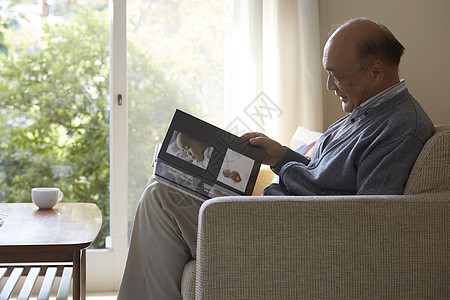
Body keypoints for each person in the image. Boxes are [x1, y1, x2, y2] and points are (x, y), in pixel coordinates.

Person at [118, 18, 434, 299]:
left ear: (376, 72)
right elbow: (323, 174)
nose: (329, 85)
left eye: (336, 75)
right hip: (277, 214)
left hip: (288, 232)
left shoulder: (400, 128)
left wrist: (285, 180)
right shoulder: (365, 111)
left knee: (161, 198)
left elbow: (368, 218)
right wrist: (281, 156)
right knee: (160, 183)